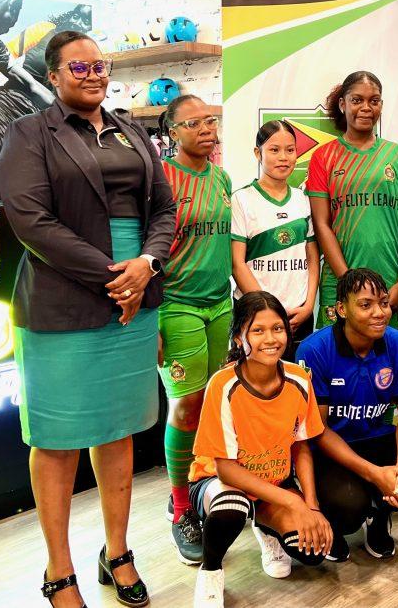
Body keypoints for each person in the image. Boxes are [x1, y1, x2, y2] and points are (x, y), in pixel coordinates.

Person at [0, 30, 175, 608]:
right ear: (53, 75)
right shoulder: (29, 134)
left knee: (118, 429)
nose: (93, 73)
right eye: (79, 66)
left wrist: (146, 264)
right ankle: (59, 568)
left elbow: (164, 210)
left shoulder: (133, 130)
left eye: (100, 64)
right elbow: (30, 221)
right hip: (63, 298)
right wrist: (114, 276)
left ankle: (117, 552)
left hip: (135, 296)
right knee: (56, 440)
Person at [296, 268, 398, 561]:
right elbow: (318, 430)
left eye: (383, 303)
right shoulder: (314, 349)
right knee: (347, 508)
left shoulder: (397, 343)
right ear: (341, 310)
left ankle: (380, 511)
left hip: (379, 439)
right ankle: (345, 515)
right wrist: (374, 474)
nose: (379, 313)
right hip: (333, 448)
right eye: (365, 304)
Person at [190, 291, 331, 608]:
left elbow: (302, 447)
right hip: (218, 481)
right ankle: (210, 570)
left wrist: (310, 505)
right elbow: (225, 467)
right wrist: (290, 504)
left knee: (311, 549)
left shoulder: (298, 378)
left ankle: (265, 526)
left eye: (278, 328)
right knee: (231, 507)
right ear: (240, 337)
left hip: (272, 482)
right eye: (258, 330)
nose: (270, 338)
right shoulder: (223, 384)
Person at [156, 94, 233, 566]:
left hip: (219, 304)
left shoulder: (221, 178)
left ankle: (203, 487)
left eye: (210, 119)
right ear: (172, 132)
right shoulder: (160, 179)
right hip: (175, 305)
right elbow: (145, 249)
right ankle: (179, 506)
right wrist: (150, 320)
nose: (206, 127)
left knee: (209, 405)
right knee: (185, 406)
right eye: (194, 122)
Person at [307, 71, 398, 336]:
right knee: (338, 364)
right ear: (343, 104)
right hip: (339, 282)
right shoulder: (324, 157)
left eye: (375, 100)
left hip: (391, 283)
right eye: (357, 100)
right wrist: (349, 282)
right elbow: (321, 224)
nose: (366, 108)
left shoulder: (397, 156)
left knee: (389, 365)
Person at [231, 120, 320, 358]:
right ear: (257, 153)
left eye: (290, 150)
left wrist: (309, 304)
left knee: (295, 382)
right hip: (256, 316)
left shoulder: (303, 199)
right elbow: (237, 264)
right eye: (274, 150)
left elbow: (312, 258)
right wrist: (270, 312)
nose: (283, 157)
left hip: (300, 317)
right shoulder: (241, 199)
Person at [0, 4, 93, 161]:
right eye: (76, 15)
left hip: (43, 123)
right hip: (7, 104)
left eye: (86, 20)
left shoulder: (91, 58)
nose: (77, 22)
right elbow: (4, 55)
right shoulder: (44, 30)